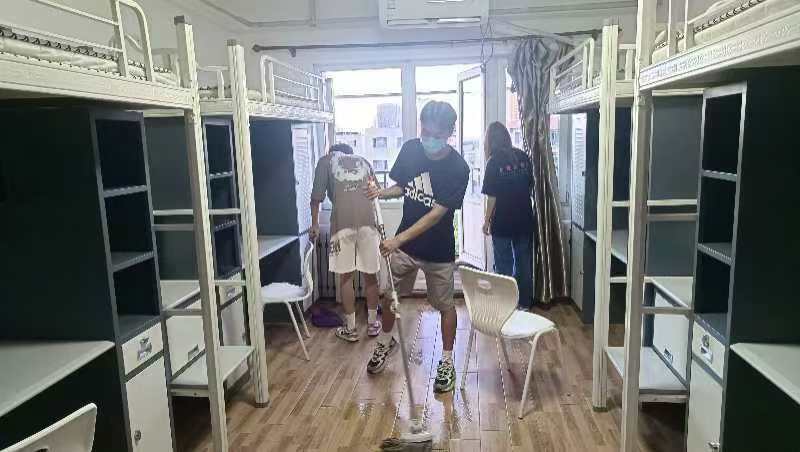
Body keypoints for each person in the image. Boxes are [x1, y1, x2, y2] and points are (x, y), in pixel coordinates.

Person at [364, 101, 469, 394]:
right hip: (406, 248)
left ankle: (446, 361)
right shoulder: (411, 149)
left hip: (438, 251)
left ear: (449, 132)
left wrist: (397, 240)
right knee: (390, 296)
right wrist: (381, 193)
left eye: (436, 135)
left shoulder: (459, 168)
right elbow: (405, 186)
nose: (429, 139)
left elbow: (436, 214)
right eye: (425, 132)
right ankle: (385, 342)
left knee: (445, 306)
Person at [310, 143, 382, 342]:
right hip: (368, 225)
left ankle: (351, 329)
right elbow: (376, 193)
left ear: (331, 151)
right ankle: (372, 324)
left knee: (345, 277)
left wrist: (315, 224)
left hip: (342, 225)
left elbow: (316, 198)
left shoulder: (325, 161)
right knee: (370, 276)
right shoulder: (364, 161)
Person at [481, 121, 535, 310]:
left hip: (503, 221)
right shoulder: (523, 156)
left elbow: (492, 197)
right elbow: (530, 186)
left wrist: (486, 221)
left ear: (490, 141)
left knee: (503, 263)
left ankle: (506, 304)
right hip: (525, 218)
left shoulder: (493, 162)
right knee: (523, 262)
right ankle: (524, 303)